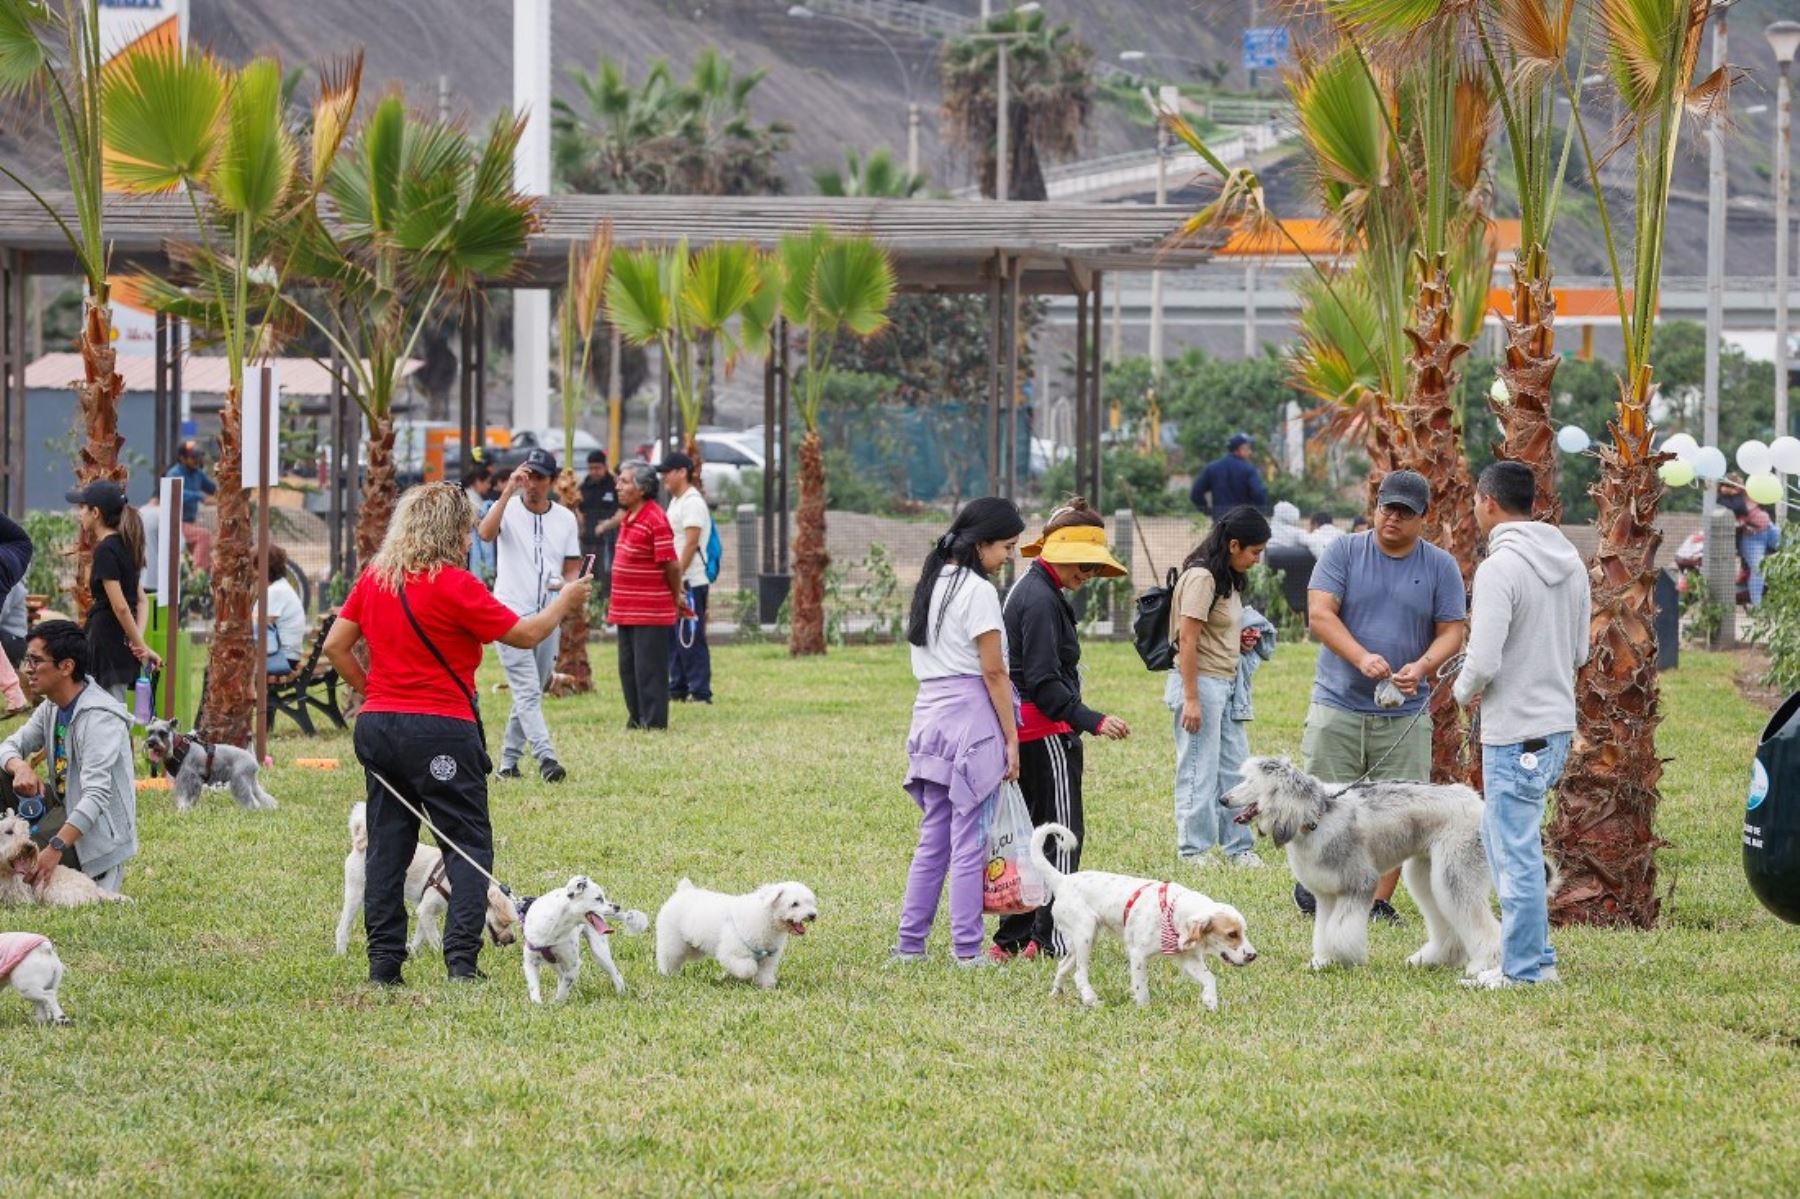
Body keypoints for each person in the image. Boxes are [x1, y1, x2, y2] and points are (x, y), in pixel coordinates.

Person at [323, 482, 591, 985]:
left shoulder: (376, 578)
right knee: (467, 842)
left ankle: (384, 965)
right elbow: (527, 634)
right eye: (468, 533)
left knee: (387, 843)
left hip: (378, 728)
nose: (472, 542)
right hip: (441, 728)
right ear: (450, 534)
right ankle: (461, 964)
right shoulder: (456, 584)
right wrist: (567, 601)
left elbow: (338, 646)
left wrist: (374, 690)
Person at [1296, 469, 1467, 922]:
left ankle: (1375, 901)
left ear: (1423, 518)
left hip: (1405, 711)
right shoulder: (1343, 551)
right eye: (1386, 507)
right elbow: (1320, 613)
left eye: (1405, 512)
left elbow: (1452, 631)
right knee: (1318, 798)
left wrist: (1423, 666)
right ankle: (1316, 882)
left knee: (1399, 812)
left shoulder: (1440, 566)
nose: (1392, 518)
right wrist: (1360, 657)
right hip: (1337, 700)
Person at [1454, 461, 1591, 989]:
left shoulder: (1499, 568)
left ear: (1488, 501)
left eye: (1474, 501)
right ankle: (1537, 957)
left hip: (1513, 732)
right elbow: (1579, 650)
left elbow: (1483, 661)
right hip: (1555, 725)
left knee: (1512, 853)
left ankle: (1525, 972)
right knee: (1509, 840)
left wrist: (1462, 692)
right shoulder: (1570, 561)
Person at [989, 498, 1132, 962]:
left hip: (1023, 732)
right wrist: (1092, 720)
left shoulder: (1028, 589)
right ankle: (1050, 939)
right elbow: (1046, 682)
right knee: (1062, 837)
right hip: (1046, 734)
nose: (1087, 576)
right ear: (1063, 554)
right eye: (1085, 566)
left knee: (1031, 837)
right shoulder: (1043, 601)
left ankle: (1015, 939)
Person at [894, 498, 1025, 967]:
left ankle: (910, 946)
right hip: (972, 720)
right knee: (969, 841)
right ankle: (967, 951)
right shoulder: (978, 590)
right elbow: (994, 673)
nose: (1010, 555)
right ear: (982, 543)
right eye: (1007, 546)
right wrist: (1011, 739)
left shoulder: (932, 582)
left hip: (928, 716)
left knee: (933, 839)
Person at [1167, 506, 1271, 866]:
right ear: (1234, 544)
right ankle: (1194, 850)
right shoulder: (1202, 578)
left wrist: (1240, 643)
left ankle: (1238, 847)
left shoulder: (1226, 579)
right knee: (1198, 767)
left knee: (1234, 768)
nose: (1257, 560)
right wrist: (1192, 698)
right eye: (1254, 552)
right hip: (1200, 685)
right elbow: (1187, 640)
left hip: (1225, 684)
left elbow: (1214, 632)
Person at [0, 619, 137, 893]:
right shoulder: (52, 706)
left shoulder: (99, 718)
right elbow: (9, 745)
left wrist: (55, 848)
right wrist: (19, 767)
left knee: (21, 852)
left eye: (36, 661)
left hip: (94, 835)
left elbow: (96, 796)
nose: (28, 669)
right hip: (62, 807)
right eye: (28, 659)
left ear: (66, 666)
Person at [477, 449, 580, 783]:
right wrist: (506, 491)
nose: (531, 484)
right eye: (527, 476)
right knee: (526, 690)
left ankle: (507, 764)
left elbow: (571, 564)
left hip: (548, 613)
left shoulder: (564, 518)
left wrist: (566, 588)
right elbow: (485, 534)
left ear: (551, 481)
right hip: (509, 612)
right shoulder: (506, 509)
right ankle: (547, 758)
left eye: (538, 477)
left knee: (531, 690)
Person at [608, 462, 691, 730]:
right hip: (625, 609)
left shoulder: (655, 518)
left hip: (650, 610)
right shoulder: (630, 517)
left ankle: (654, 722)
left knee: (649, 670)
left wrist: (676, 593)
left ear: (642, 489)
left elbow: (672, 564)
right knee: (628, 668)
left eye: (624, 482)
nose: (618, 487)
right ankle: (636, 717)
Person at [69, 481, 159, 699]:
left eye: (83, 507)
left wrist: (141, 646)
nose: (79, 513)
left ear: (96, 512)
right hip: (122, 642)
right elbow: (141, 600)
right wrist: (138, 641)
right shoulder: (126, 546)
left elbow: (120, 607)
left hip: (106, 641)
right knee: (113, 705)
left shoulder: (105, 551)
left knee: (107, 709)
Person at [660, 452, 715, 705]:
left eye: (668, 472)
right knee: (674, 638)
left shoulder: (692, 501)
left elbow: (691, 543)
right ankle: (678, 687)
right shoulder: (676, 501)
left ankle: (700, 692)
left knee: (690, 637)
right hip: (678, 580)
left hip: (691, 581)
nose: (664, 478)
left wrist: (678, 576)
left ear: (682, 472)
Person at [1720, 482, 1781, 608]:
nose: (1741, 485)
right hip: (1752, 538)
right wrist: (1733, 493)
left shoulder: (1749, 493)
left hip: (1769, 528)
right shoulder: (1729, 500)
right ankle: (1757, 607)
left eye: (1741, 482)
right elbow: (1740, 509)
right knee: (1758, 568)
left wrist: (1743, 491)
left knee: (1792, 547)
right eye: (1736, 483)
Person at [165, 440, 217, 571]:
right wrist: (200, 496)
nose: (197, 460)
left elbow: (213, 489)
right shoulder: (174, 473)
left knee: (209, 551)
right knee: (203, 535)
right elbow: (177, 493)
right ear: (182, 458)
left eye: (198, 457)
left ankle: (201, 579)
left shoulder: (198, 473)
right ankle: (195, 578)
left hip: (189, 523)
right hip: (175, 523)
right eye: (193, 457)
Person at [1190, 432, 1269, 516]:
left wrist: (1208, 512)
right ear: (1239, 449)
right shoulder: (1249, 469)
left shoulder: (1212, 468)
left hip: (1220, 522)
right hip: (1243, 521)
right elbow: (1259, 493)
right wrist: (1259, 512)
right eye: (1248, 448)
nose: (1250, 452)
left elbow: (1196, 493)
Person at [580, 450, 619, 609]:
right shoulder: (585, 486)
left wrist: (606, 524)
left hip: (608, 542)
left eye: (597, 468)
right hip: (587, 541)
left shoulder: (614, 485)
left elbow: (622, 511)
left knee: (606, 574)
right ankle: (590, 609)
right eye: (591, 468)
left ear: (605, 467)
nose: (594, 472)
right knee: (587, 575)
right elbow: (579, 508)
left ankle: (606, 609)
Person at [260, 543, 306, 675]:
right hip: (285, 657)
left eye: (253, 566)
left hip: (280, 659)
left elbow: (259, 626)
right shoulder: (280, 587)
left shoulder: (275, 592)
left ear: (262, 568)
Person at [464, 465, 498, 582]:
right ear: (478, 481)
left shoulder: (474, 497)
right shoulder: (471, 499)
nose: (489, 486)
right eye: (487, 482)